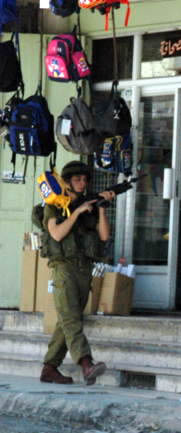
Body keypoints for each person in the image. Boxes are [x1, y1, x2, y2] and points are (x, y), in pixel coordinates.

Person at [40, 161, 115, 385]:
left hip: (84, 269)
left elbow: (103, 236)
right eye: (77, 180)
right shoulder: (53, 205)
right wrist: (77, 212)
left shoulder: (88, 203)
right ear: (67, 182)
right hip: (64, 268)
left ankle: (49, 368)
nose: (82, 183)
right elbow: (56, 234)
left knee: (68, 320)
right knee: (71, 319)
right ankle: (86, 364)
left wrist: (101, 207)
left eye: (85, 179)